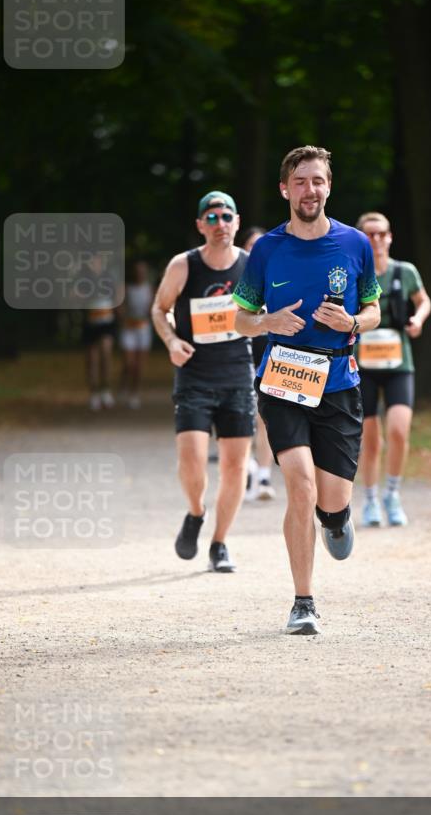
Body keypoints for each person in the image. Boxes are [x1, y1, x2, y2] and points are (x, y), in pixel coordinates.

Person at [233, 146, 381, 635]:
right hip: (284, 378)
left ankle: (335, 519)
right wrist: (267, 321)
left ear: (329, 186)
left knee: (331, 500)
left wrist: (354, 321)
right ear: (285, 189)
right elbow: (240, 318)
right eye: (300, 181)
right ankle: (303, 601)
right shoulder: (266, 250)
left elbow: (374, 311)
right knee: (299, 482)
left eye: (318, 181)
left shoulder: (356, 244)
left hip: (339, 381)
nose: (310, 190)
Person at [151, 191, 255, 573]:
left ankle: (220, 542)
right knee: (192, 460)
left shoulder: (251, 266)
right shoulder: (184, 266)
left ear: (237, 222)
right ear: (200, 225)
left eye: (226, 217)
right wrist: (172, 340)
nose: (220, 224)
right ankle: (196, 511)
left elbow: (265, 312)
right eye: (211, 218)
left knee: (234, 467)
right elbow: (159, 310)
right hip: (194, 376)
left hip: (237, 377)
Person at [355, 212, 431, 528]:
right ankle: (370, 498)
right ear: (362, 239)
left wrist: (418, 320)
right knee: (371, 440)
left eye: (381, 234)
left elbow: (424, 300)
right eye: (369, 235)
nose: (376, 240)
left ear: (390, 237)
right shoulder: (354, 272)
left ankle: (392, 493)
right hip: (364, 365)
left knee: (399, 430)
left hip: (399, 363)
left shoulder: (405, 271)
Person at [238, 226, 275, 501]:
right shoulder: (235, 280)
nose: (256, 250)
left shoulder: (278, 278)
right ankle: (246, 466)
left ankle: (263, 477)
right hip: (237, 358)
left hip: (269, 356)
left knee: (264, 417)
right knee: (241, 417)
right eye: (251, 245)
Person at [78, 253, 122, 411]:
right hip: (91, 322)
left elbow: (117, 298)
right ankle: (94, 393)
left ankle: (106, 389)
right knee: (92, 360)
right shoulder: (83, 279)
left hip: (107, 322)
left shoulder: (110, 278)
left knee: (105, 353)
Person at [119, 260, 153, 409]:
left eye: (142, 271)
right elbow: (119, 307)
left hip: (143, 329)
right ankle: (124, 384)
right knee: (129, 363)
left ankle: (135, 393)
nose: (140, 274)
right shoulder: (127, 288)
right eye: (137, 271)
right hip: (129, 328)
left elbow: (156, 308)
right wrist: (123, 316)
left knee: (139, 366)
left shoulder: (150, 289)